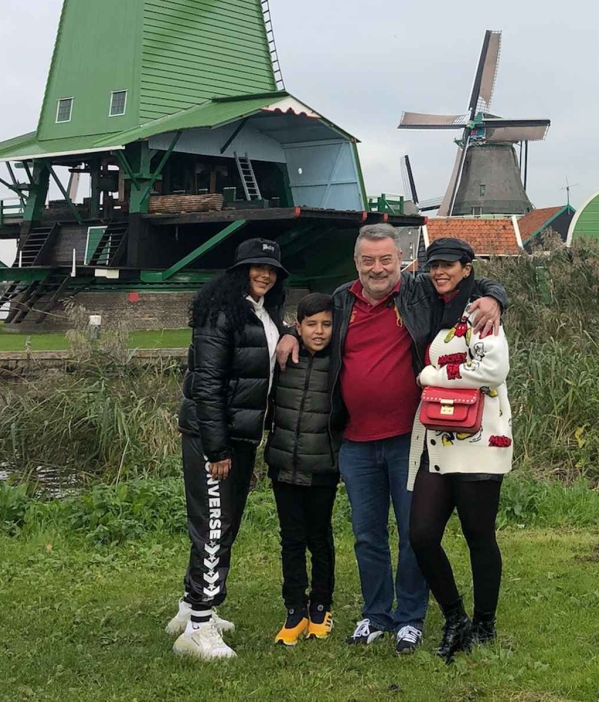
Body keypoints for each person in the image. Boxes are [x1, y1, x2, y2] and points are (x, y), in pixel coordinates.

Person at [275, 222, 506, 656]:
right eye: (368, 261)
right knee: (367, 534)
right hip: (356, 440)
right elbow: (308, 318)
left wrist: (495, 297)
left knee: (411, 532)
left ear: (399, 259)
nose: (377, 269)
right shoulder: (343, 299)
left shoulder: (418, 291)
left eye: (385, 260)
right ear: (356, 263)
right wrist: (289, 331)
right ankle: (376, 613)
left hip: (409, 437)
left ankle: (410, 617)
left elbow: (470, 278)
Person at [168, 237, 288, 661]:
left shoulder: (261, 312)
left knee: (223, 522)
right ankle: (200, 625)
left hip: (240, 436)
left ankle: (190, 607)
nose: (265, 274)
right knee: (214, 525)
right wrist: (216, 449)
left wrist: (288, 334)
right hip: (213, 439)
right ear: (239, 270)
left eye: (272, 269)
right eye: (257, 267)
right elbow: (207, 383)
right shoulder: (222, 313)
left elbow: (261, 358)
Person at [405, 237, 513, 662]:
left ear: (467, 267)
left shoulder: (482, 310)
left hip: (479, 438)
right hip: (438, 439)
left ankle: (484, 621)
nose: (440, 272)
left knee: (478, 534)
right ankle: (454, 616)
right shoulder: (434, 305)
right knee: (422, 534)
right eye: (434, 265)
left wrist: (432, 377)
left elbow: (492, 369)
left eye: (449, 265)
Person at [264, 292, 340, 646]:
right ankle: (294, 606)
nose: (320, 331)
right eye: (311, 325)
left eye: (326, 324)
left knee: (319, 538)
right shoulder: (283, 354)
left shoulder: (339, 361)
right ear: (299, 326)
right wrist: (286, 336)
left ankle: (321, 604)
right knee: (291, 539)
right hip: (283, 462)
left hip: (322, 465)